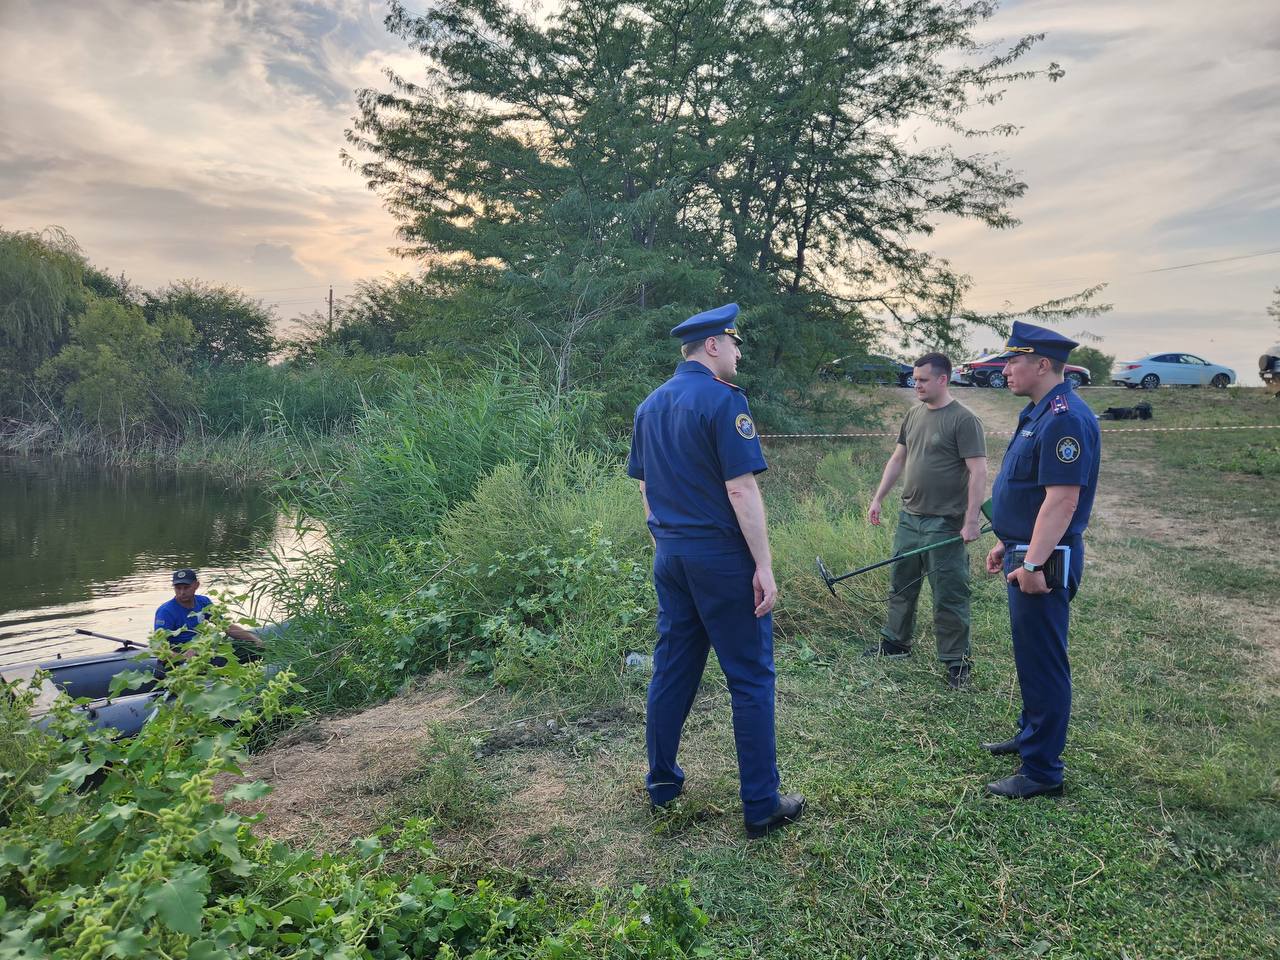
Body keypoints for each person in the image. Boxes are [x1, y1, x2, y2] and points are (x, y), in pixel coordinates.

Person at [626, 302, 805, 839]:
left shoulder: (649, 405)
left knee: (672, 667)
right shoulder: (726, 402)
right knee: (750, 677)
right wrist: (764, 565)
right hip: (721, 558)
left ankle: (661, 783)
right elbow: (740, 488)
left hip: (672, 554)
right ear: (712, 346)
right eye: (734, 343)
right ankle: (761, 803)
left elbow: (645, 487)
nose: (738, 351)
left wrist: (665, 539)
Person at [981, 321, 1100, 799]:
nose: (1005, 369)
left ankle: (1042, 771)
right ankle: (1032, 735)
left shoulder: (1065, 418)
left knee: (1045, 660)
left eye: (1013, 360)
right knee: (1030, 655)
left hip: (1049, 558)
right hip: (1026, 546)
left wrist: (1032, 564)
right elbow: (1027, 494)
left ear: (1043, 364)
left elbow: (1062, 502)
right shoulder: (1038, 412)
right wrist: (1006, 541)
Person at [865, 352, 988, 688]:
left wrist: (972, 519)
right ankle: (895, 644)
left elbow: (978, 471)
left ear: (942, 380)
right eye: (915, 379)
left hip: (945, 523)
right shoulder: (914, 414)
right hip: (910, 518)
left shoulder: (964, 420)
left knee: (949, 594)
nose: (915, 384)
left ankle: (956, 663)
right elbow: (898, 458)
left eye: (922, 379)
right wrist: (878, 498)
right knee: (901, 584)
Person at [154, 568, 262, 656]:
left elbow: (225, 626)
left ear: (196, 585)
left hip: (202, 648)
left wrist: (254, 639)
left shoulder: (203, 602)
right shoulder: (166, 611)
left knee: (250, 651)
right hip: (181, 652)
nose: (182, 592)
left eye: (186, 588)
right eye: (178, 588)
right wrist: (182, 658)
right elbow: (158, 645)